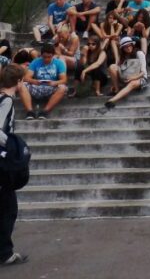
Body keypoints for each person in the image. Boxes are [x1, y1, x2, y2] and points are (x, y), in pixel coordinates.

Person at [0, 64, 29, 266]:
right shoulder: (7, 101)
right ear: (18, 82)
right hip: (1, 163)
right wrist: (10, 147)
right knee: (8, 208)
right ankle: (5, 253)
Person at [23, 42, 68, 119]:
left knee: (63, 88)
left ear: (53, 55)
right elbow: (26, 78)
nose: (46, 59)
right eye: (44, 57)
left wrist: (54, 83)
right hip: (37, 86)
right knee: (21, 85)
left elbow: (64, 80)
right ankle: (30, 111)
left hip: (51, 88)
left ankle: (45, 111)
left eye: (49, 57)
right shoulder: (36, 62)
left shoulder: (59, 63)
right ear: (41, 55)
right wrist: (34, 81)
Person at [105, 37, 148, 108]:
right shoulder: (123, 56)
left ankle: (112, 100)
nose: (128, 48)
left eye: (129, 45)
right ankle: (116, 89)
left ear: (132, 45)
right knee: (112, 66)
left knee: (132, 83)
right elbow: (119, 69)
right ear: (122, 48)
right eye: (125, 47)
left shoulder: (139, 53)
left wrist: (133, 78)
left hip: (139, 78)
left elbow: (143, 72)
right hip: (125, 77)